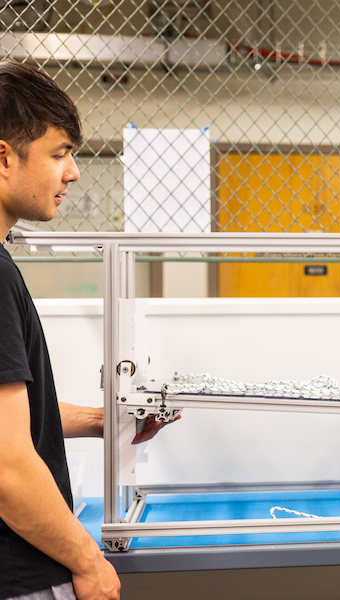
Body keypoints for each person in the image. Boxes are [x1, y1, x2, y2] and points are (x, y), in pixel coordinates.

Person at [0, 60, 172, 600]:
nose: (73, 172)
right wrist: (88, 560)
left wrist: (105, 420)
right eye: (59, 154)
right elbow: (6, 464)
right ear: (3, 158)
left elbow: (16, 423)